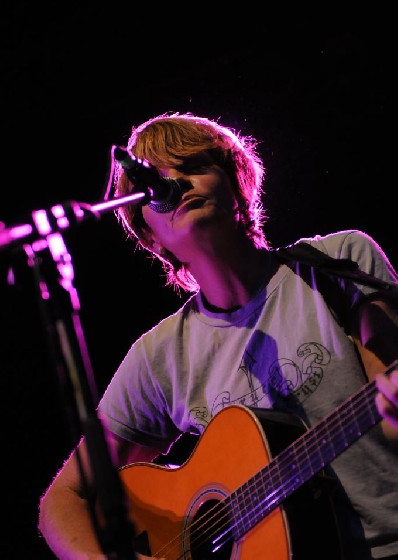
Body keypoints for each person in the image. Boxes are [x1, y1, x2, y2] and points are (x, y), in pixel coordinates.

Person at [38, 111, 398, 560]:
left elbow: (390, 409)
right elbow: (61, 502)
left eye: (192, 166)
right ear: (152, 237)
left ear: (236, 183)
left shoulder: (339, 261)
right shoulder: (161, 355)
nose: (178, 184)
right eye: (157, 185)